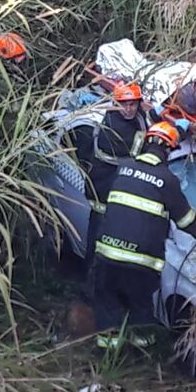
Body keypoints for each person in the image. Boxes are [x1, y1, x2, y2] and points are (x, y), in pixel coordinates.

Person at [91, 119, 196, 345]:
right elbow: (186, 221)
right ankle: (142, 356)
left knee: (107, 307)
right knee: (140, 311)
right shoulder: (168, 181)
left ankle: (106, 358)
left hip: (107, 256)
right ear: (168, 151)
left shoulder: (123, 171)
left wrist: (179, 131)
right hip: (140, 263)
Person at [80, 82, 150, 278]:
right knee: (98, 245)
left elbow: (142, 121)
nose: (128, 109)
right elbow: (141, 152)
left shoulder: (134, 117)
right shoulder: (113, 128)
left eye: (132, 104)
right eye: (123, 104)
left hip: (118, 190)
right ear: (115, 104)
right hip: (104, 195)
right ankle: (91, 286)